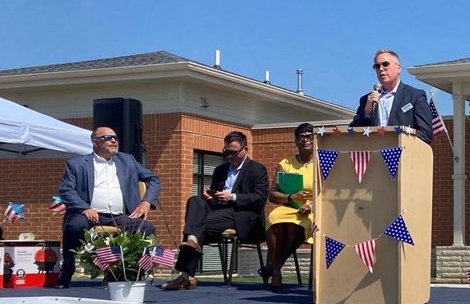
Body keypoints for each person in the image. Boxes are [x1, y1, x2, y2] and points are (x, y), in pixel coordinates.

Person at [54, 126, 162, 288]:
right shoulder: (76, 164)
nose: (113, 140)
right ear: (95, 142)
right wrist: (84, 208)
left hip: (120, 216)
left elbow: (154, 180)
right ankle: (67, 271)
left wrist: (146, 202)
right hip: (88, 214)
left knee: (147, 228)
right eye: (107, 138)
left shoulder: (128, 160)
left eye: (115, 138)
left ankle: (128, 273)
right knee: (74, 226)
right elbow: (66, 190)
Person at [161, 131, 270, 290]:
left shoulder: (257, 169)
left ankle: (186, 275)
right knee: (195, 201)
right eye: (226, 152)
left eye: (233, 152)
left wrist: (232, 197)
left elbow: (259, 198)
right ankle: (191, 243)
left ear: (245, 149)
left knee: (197, 225)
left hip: (242, 215)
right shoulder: (220, 169)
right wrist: (211, 196)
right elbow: (215, 193)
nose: (229, 156)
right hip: (219, 210)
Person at [262, 123, 316, 292]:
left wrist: (311, 205)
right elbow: (272, 194)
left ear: (315, 139)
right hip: (290, 205)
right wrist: (291, 197)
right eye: (301, 137)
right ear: (295, 141)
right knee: (274, 219)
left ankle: (274, 267)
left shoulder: (324, 162)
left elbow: (331, 193)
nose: (305, 140)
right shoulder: (286, 163)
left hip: (314, 208)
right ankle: (277, 270)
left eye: (309, 136)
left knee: (295, 227)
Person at [350, 49, 433, 144]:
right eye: (377, 66)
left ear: (399, 68)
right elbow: (353, 133)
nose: (381, 69)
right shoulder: (367, 100)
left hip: (403, 155)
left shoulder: (414, 96)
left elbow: (426, 134)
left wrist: (401, 137)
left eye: (385, 64)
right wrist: (366, 112)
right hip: (375, 156)